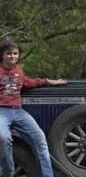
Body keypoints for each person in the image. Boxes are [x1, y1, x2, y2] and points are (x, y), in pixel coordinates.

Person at [0, 41, 67, 177]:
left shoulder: (19, 70)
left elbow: (30, 82)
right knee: (4, 138)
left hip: (18, 111)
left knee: (40, 138)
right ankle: (8, 173)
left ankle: (47, 175)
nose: (12, 56)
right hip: (2, 112)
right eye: (8, 54)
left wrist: (50, 81)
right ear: (2, 55)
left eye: (15, 53)